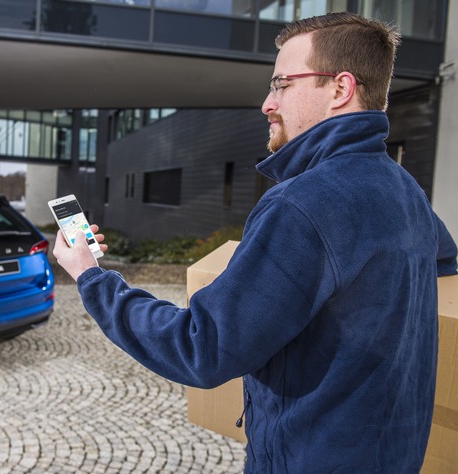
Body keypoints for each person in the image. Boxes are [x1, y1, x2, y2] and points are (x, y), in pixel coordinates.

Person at [53, 11, 458, 473]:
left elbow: (200, 348)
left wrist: (91, 277)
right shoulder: (403, 189)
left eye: (282, 84)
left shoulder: (302, 204)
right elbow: (442, 259)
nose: (267, 103)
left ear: (341, 89)